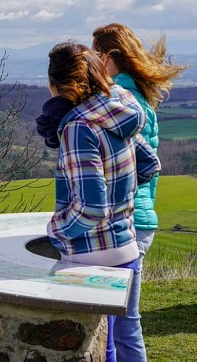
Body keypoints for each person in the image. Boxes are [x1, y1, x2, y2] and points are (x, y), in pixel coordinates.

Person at [37, 42, 160, 362]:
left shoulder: (79, 126)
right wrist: (121, 202)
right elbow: (149, 164)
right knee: (126, 335)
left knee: (95, 348)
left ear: (57, 86)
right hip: (125, 245)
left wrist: (58, 229)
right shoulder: (115, 112)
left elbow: (91, 208)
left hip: (90, 253)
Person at [92, 23, 187, 360]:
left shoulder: (121, 98)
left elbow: (137, 165)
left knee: (121, 325)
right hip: (140, 217)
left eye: (94, 55)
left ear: (106, 57)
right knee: (122, 323)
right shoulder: (138, 95)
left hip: (127, 220)